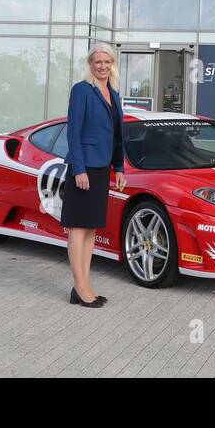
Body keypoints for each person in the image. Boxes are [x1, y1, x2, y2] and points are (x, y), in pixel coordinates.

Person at [63, 42, 126, 307]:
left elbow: (118, 136)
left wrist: (119, 167)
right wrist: (79, 169)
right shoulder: (82, 91)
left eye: (107, 62)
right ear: (90, 64)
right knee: (78, 228)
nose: (102, 66)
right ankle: (79, 286)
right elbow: (73, 131)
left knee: (91, 228)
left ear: (112, 64)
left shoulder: (113, 93)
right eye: (97, 62)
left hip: (102, 168)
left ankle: (85, 284)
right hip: (84, 168)